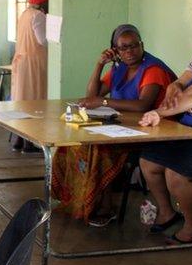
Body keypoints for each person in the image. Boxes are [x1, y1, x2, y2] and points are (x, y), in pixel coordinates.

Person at [52, 24, 176, 227]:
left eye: (134, 46)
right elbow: (93, 95)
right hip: (129, 127)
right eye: (123, 48)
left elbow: (142, 105)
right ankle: (80, 201)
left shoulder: (153, 69)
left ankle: (105, 206)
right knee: (77, 145)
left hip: (154, 131)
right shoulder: (119, 69)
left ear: (142, 45)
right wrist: (100, 64)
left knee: (100, 149)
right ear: (115, 51)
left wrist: (104, 102)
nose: (129, 51)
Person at [139, 57, 192, 244]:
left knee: (176, 175)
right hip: (187, 128)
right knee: (149, 162)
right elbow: (184, 80)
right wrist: (176, 85)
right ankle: (167, 212)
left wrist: (159, 112)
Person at [10, 0, 48, 152]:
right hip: (34, 62)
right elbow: (42, 41)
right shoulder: (38, 16)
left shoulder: (25, 13)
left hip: (22, 60)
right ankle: (28, 143)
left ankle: (19, 140)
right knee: (34, 100)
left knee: (22, 100)